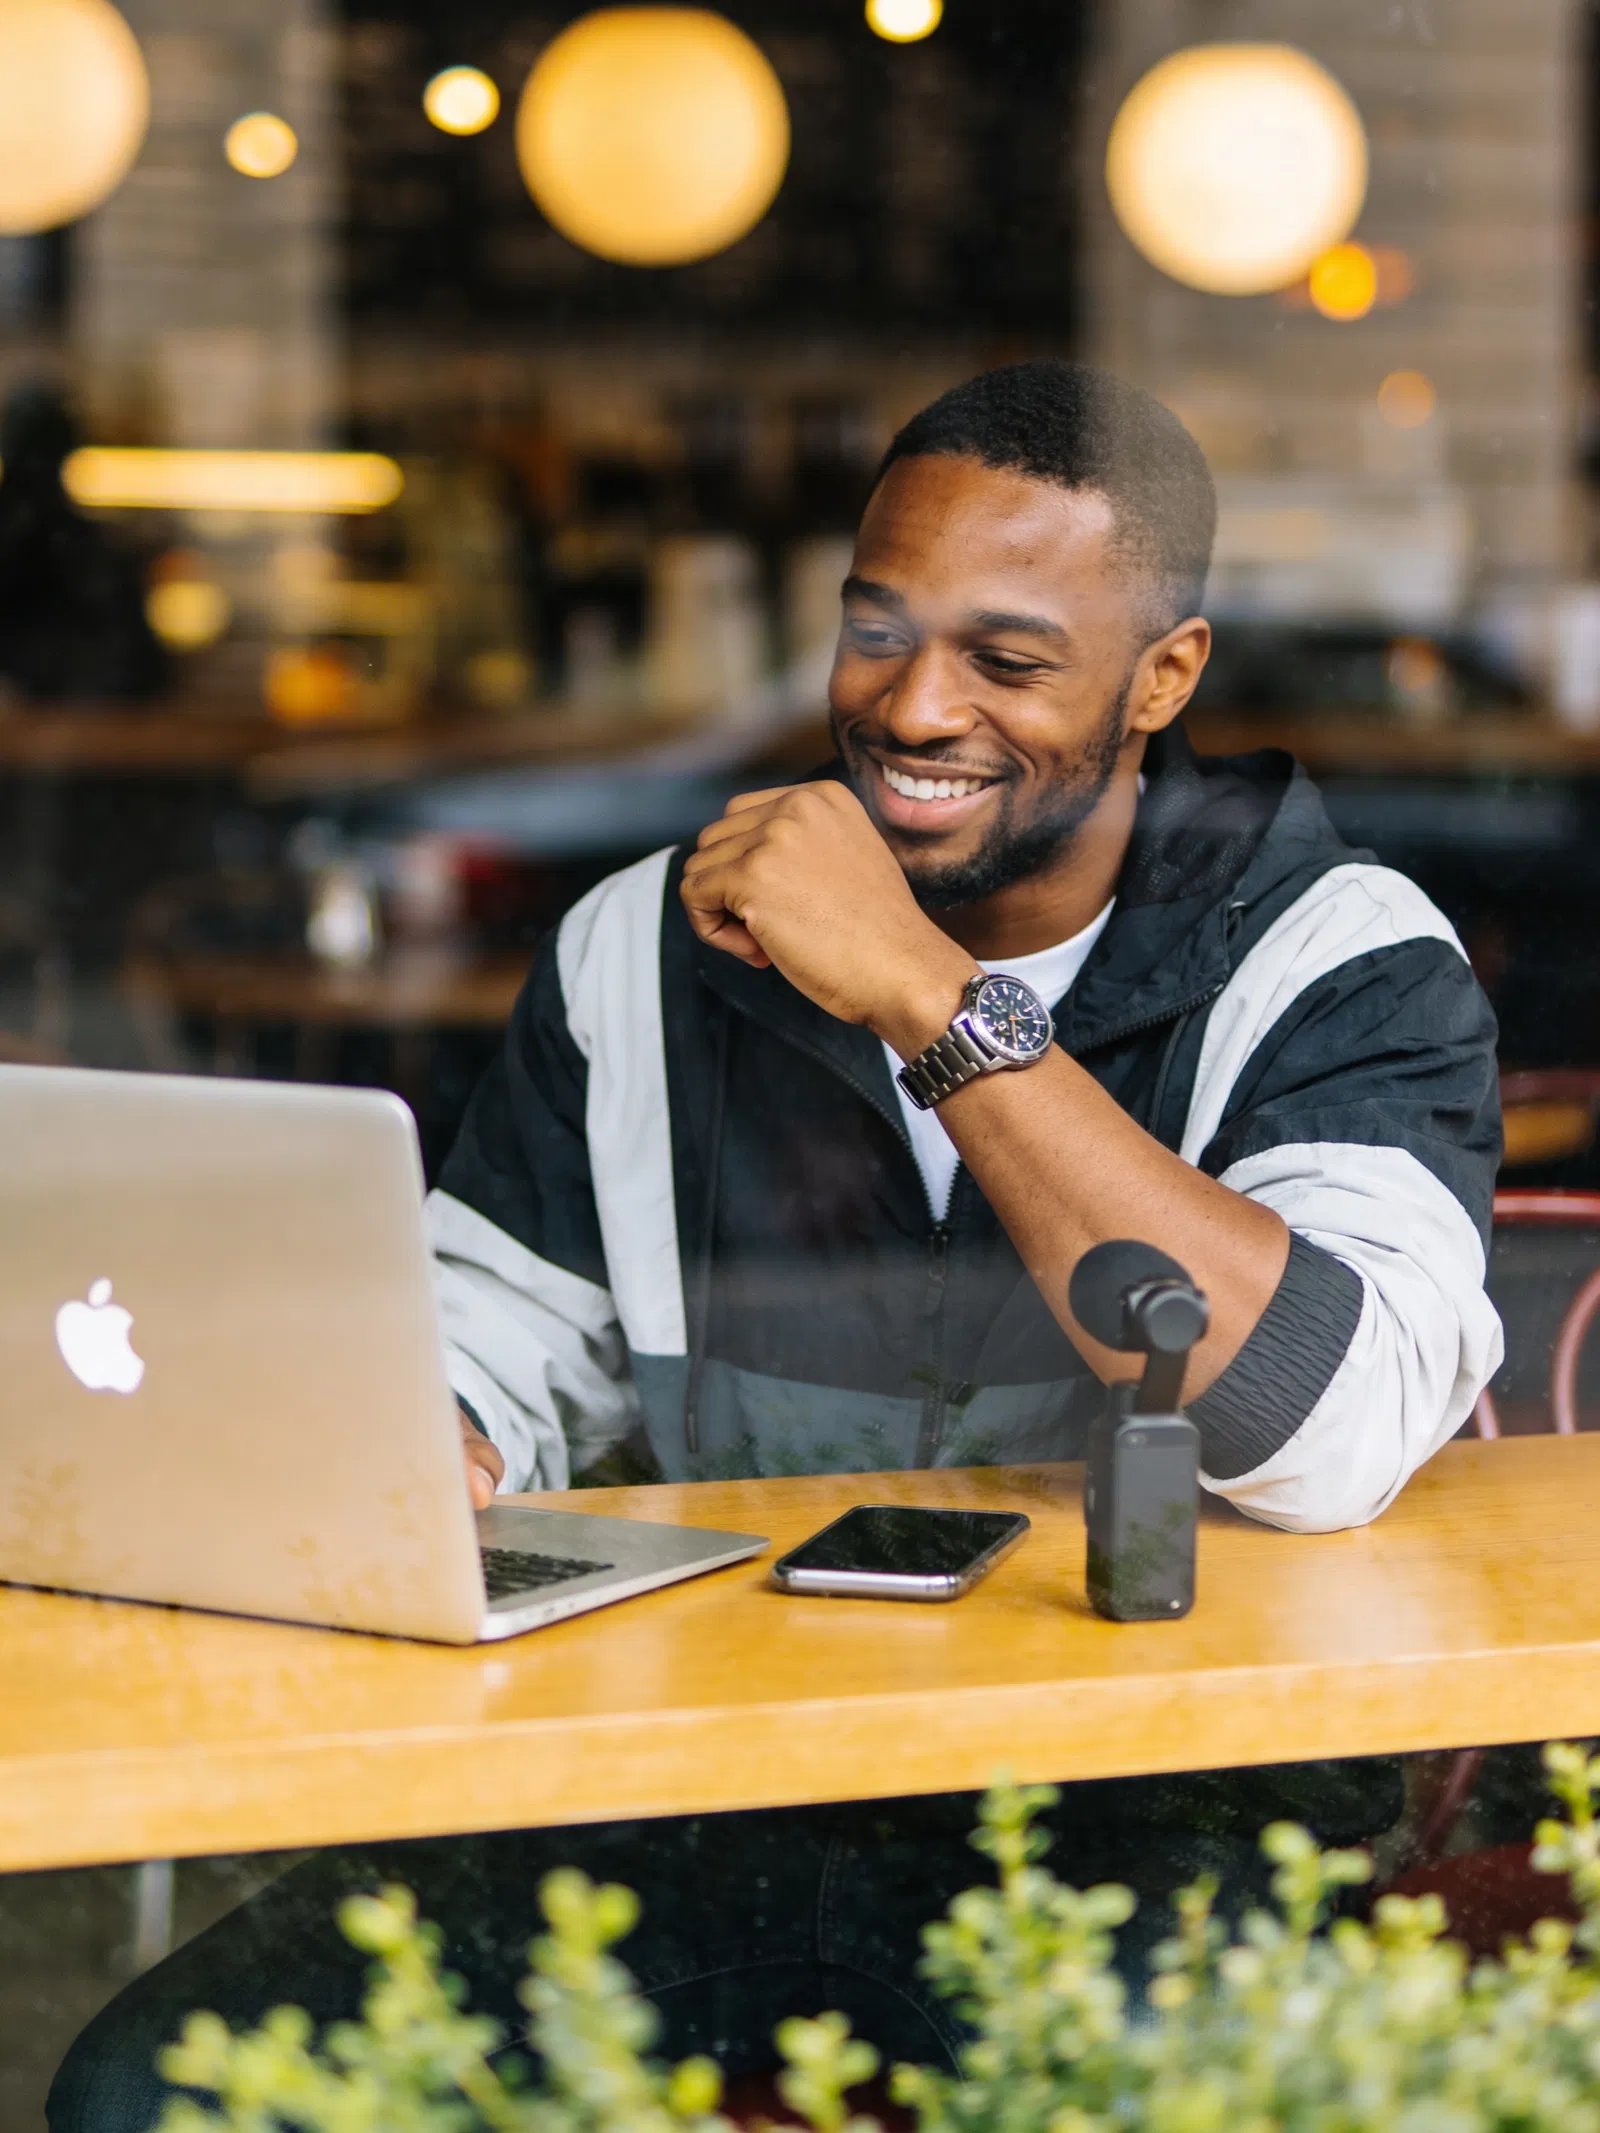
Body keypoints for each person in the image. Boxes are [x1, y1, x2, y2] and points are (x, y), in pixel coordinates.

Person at [50, 362, 1503, 2132]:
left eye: (1008, 659)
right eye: (875, 631)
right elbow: (501, 1317)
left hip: (1148, 1814)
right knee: (148, 2089)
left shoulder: (1343, 958)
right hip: (695, 1793)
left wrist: (922, 992)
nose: (911, 705)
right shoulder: (637, 949)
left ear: (1163, 681)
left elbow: (1322, 1413)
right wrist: (430, 1432)